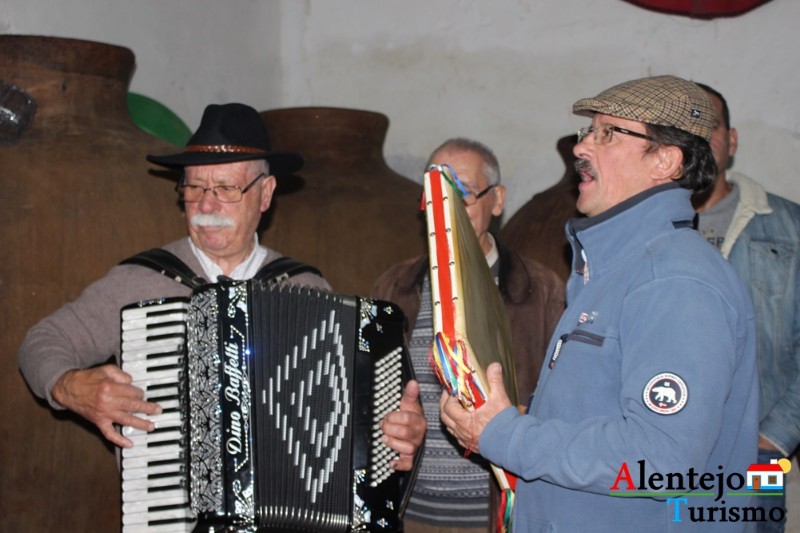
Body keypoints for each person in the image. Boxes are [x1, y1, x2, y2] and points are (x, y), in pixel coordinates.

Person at [18, 103, 424, 472]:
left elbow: (353, 417)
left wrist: (394, 436)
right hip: (170, 510)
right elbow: (43, 340)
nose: (206, 206)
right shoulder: (139, 280)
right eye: (195, 188)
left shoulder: (305, 288)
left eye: (227, 189)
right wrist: (66, 385)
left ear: (265, 195)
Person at [440, 76, 759, 532]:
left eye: (607, 133)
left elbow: (661, 458)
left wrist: (506, 435)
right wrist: (531, 420)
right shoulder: (617, 269)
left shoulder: (672, 279)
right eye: (587, 131)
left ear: (665, 161)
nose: (581, 148)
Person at [372, 137, 565, 532]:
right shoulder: (395, 286)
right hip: (409, 510)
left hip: (497, 512)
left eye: (461, 193)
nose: (447, 208)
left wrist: (526, 417)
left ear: (497, 200)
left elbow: (568, 399)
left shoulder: (540, 288)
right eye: (435, 193)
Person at [693, 82, 800, 533]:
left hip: (757, 453)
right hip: (655, 453)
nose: (697, 138)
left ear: (731, 141)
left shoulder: (789, 227)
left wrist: (775, 436)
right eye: (683, 128)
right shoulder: (640, 229)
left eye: (708, 126)